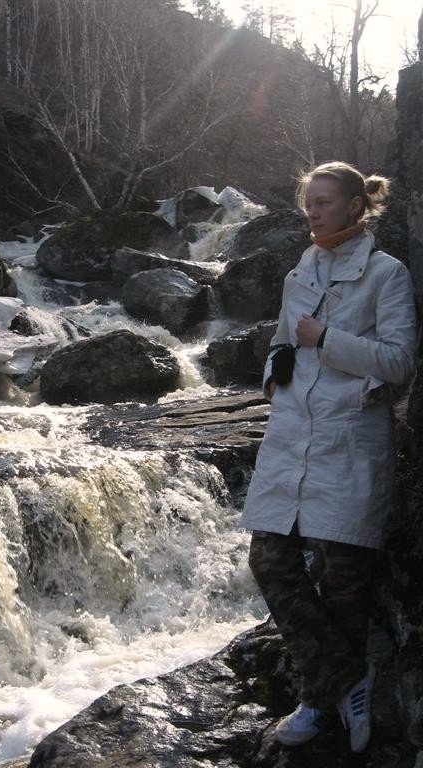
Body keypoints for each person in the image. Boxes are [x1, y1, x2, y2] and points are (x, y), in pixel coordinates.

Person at [240, 161, 418, 754]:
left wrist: (327, 341)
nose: (312, 212)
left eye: (323, 202)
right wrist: (275, 377)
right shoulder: (301, 270)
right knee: (269, 559)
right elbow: (281, 341)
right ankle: (346, 679)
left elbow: (399, 362)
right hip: (291, 434)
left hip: (350, 436)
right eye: (308, 203)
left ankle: (319, 704)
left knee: (345, 578)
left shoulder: (387, 274)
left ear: (355, 206)